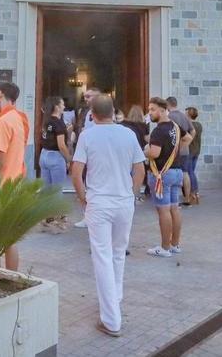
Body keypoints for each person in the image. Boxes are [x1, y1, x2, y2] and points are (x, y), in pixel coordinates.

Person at [70, 94, 145, 339]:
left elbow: (77, 170)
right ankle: (115, 298)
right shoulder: (128, 134)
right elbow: (139, 169)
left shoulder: (87, 136)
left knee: (102, 256)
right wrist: (132, 194)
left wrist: (83, 197)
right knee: (117, 253)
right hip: (123, 201)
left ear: (92, 114)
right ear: (113, 111)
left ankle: (111, 319)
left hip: (99, 201)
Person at [0, 83, 29, 271]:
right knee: (9, 240)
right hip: (15, 183)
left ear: (0, 94)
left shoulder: (3, 121)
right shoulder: (18, 118)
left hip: (2, 187)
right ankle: (11, 277)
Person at [144, 97, 185, 257]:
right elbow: (188, 137)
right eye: (149, 110)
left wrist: (144, 151)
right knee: (174, 208)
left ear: (162, 110)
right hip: (176, 171)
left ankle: (164, 248)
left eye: (152, 109)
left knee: (163, 211)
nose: (150, 113)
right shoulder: (176, 127)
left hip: (162, 174)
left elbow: (154, 153)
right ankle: (175, 244)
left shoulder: (159, 130)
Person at [38, 96, 72, 233]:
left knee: (46, 189)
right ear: (57, 106)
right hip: (55, 156)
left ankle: (46, 217)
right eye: (62, 104)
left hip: (44, 155)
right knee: (57, 189)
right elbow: (61, 145)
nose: (64, 107)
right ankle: (58, 219)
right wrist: (69, 159)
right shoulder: (59, 124)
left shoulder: (47, 121)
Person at [165, 97, 195, 206]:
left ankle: (173, 199)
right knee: (185, 173)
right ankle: (187, 199)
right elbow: (193, 131)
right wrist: (187, 143)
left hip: (173, 150)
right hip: (184, 150)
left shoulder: (169, 116)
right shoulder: (184, 116)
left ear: (168, 104)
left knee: (172, 173)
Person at [185, 106, 203, 206]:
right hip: (196, 151)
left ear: (188, 114)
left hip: (189, 151)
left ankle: (194, 193)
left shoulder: (189, 125)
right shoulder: (199, 125)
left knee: (189, 172)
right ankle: (195, 193)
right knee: (192, 171)